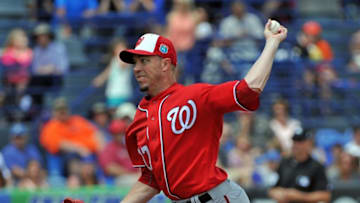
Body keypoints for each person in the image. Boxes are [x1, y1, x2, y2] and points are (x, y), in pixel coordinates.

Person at [116, 18, 287, 202]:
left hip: (217, 198)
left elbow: (248, 90)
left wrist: (272, 43)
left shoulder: (196, 97)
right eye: (135, 62)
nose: (137, 68)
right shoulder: (139, 119)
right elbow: (151, 179)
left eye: (144, 61)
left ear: (165, 64)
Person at [268, 129, 331, 203]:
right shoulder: (284, 163)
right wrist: (278, 194)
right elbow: (272, 189)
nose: (296, 145)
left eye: (300, 142)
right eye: (294, 141)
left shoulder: (316, 166)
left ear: (308, 143)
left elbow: (326, 195)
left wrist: (300, 196)